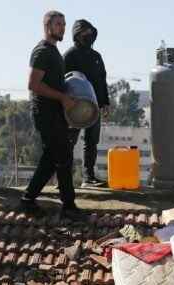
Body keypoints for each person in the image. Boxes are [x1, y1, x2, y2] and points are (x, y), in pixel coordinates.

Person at [21, 10, 80, 219]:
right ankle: (69, 206)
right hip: (45, 112)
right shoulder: (42, 51)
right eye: (58, 24)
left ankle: (28, 200)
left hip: (55, 112)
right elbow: (33, 84)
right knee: (62, 156)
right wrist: (62, 98)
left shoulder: (54, 51)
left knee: (52, 158)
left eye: (64, 24)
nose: (62, 27)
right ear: (48, 26)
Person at [64, 19, 110, 188]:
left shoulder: (96, 56)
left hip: (95, 107)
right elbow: (62, 81)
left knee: (92, 142)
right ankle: (64, 178)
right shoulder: (69, 55)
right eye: (85, 33)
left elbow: (102, 80)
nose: (88, 36)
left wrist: (105, 102)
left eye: (91, 33)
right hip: (73, 107)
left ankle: (88, 177)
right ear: (77, 34)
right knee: (69, 142)